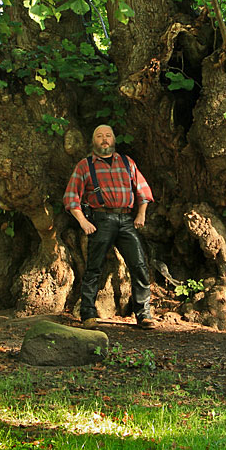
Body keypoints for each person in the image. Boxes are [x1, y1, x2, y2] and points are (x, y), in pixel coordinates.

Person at [63, 124, 156, 330]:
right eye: (99, 136)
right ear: (93, 141)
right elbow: (71, 198)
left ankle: (144, 314)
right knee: (94, 267)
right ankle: (88, 314)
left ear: (114, 139)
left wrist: (141, 214)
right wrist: (83, 221)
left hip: (126, 220)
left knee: (139, 265)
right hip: (101, 221)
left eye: (108, 136)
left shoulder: (126, 162)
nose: (104, 139)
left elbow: (143, 191)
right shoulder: (85, 166)